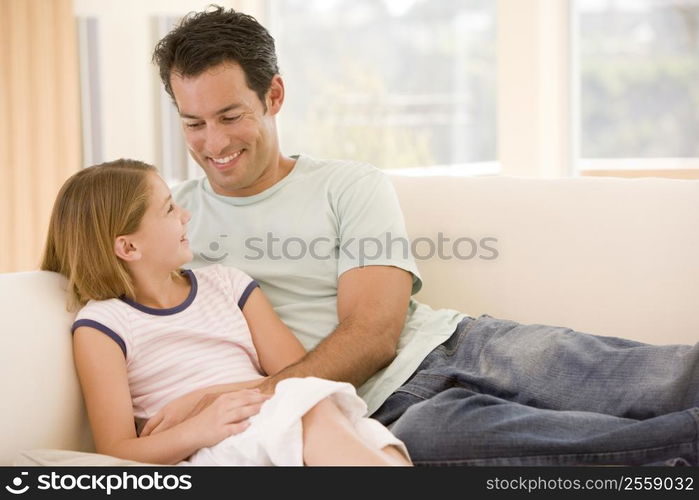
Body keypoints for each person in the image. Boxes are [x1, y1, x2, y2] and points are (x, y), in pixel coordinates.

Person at [151, 6, 699, 466]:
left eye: (229, 115)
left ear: (273, 96)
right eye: (193, 123)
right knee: (618, 449)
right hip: (380, 414)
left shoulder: (348, 185)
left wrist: (259, 393)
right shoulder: (167, 223)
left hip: (458, 345)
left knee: (661, 379)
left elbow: (373, 332)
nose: (213, 142)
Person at [40, 159, 411, 466]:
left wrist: (224, 395)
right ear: (128, 247)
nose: (185, 214)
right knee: (317, 415)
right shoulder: (103, 325)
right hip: (214, 445)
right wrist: (202, 426)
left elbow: (300, 374)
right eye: (169, 208)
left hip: (273, 411)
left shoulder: (228, 284)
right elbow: (117, 450)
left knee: (379, 443)